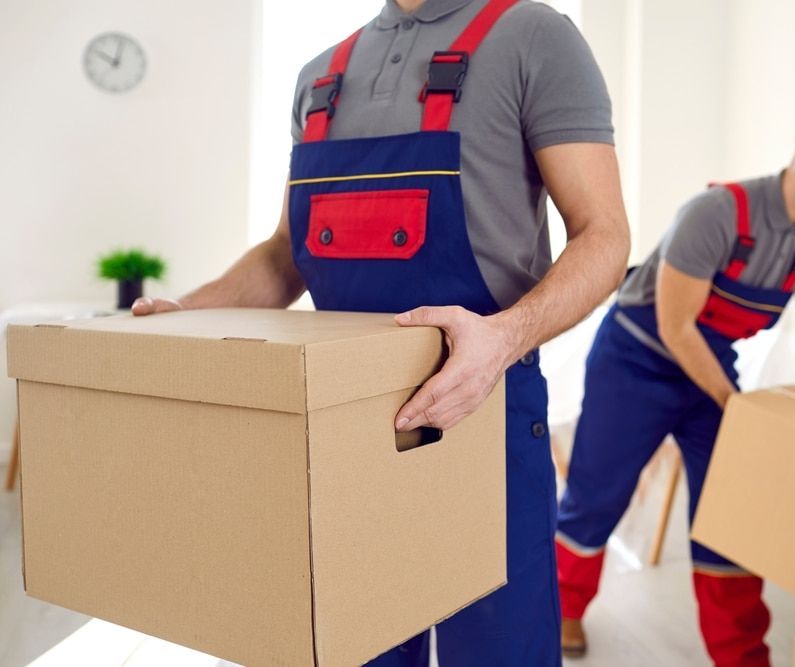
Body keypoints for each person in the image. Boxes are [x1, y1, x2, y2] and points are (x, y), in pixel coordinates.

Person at [132, 0, 629, 664]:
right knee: (353, 646)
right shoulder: (320, 75)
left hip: (484, 415)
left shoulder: (535, 36)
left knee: (498, 651)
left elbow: (605, 236)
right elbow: (285, 256)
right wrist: (187, 312)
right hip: (342, 428)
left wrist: (504, 339)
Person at [554, 108, 795, 666]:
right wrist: (735, 406)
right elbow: (675, 325)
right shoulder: (716, 213)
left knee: (729, 516)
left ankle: (740, 656)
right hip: (636, 361)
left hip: (707, 368)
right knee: (597, 494)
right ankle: (566, 606)